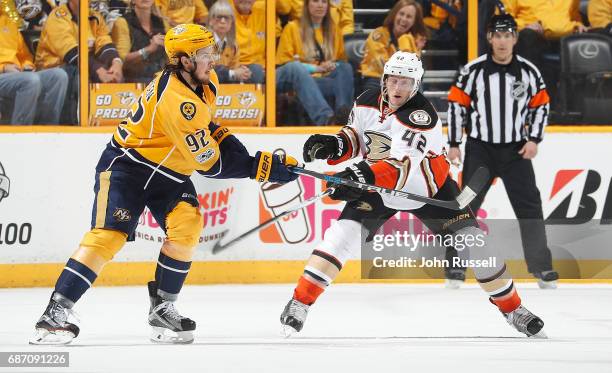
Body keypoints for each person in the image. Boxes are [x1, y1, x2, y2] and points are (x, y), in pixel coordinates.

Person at [30, 24, 299, 345]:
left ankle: (163, 306)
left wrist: (255, 158)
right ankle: (56, 311)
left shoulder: (206, 82)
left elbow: (210, 128)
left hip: (169, 173)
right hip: (128, 168)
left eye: (213, 51)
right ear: (184, 61)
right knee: (108, 237)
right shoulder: (175, 100)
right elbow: (210, 165)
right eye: (204, 55)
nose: (213, 60)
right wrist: (263, 168)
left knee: (187, 224)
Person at [278, 51, 547, 339]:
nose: (397, 89)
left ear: (416, 85)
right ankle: (299, 302)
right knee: (341, 236)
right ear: (384, 79)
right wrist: (333, 145)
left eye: (405, 83)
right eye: (393, 80)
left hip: (427, 188)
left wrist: (357, 178)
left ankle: (513, 309)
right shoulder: (367, 100)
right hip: (380, 187)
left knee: (477, 246)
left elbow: (399, 167)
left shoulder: (421, 116)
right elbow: (358, 137)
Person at [446, 14, 558, 289]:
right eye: (498, 35)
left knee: (530, 207)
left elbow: (541, 105)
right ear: (489, 38)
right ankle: (455, 268)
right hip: (480, 150)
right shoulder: (472, 71)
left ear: (515, 39)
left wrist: (534, 139)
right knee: (465, 207)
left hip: (515, 151)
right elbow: (456, 105)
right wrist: (453, 143)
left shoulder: (529, 72)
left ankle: (542, 268)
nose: (502, 41)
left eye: (508, 35)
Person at [35, 0, 124, 124]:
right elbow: (70, 53)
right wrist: (98, 70)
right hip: (53, 72)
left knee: (112, 71)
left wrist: (116, 63)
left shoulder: (94, 16)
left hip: (83, 65)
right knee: (77, 73)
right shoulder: (57, 17)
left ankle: (110, 122)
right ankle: (75, 124)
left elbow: (104, 41)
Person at [276, 0, 354, 125]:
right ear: (306, 5)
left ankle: (344, 118)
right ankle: (326, 119)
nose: (320, 5)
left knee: (345, 68)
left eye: (324, 2)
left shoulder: (334, 29)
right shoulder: (292, 27)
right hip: (298, 81)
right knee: (296, 67)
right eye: (315, 1)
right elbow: (285, 65)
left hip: (321, 81)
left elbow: (340, 61)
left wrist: (333, 65)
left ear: (328, 6)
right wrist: (316, 69)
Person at [502, 0, 588, 100]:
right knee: (528, 37)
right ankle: (532, 99)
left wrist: (578, 24)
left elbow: (573, 16)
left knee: (587, 41)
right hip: (531, 37)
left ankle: (575, 103)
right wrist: (525, 25)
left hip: (564, 37)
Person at [0, 9, 68, 125]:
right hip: (4, 74)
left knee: (58, 76)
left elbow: (24, 55)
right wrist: (4, 67)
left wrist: (27, 65)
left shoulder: (7, 23)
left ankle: (47, 130)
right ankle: (21, 133)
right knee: (31, 80)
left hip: (18, 73)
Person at [360, 0, 427, 93]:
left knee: (415, 86)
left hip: (403, 82)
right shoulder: (378, 34)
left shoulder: (412, 39)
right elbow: (382, 64)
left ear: (414, 21)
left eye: (409, 17)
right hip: (377, 79)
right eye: (401, 14)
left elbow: (415, 70)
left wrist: (406, 42)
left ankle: (415, 107)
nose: (404, 19)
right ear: (394, 14)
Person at [111, 0, 168, 83]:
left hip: (161, 81)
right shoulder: (122, 22)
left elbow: (170, 58)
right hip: (133, 83)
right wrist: (149, 49)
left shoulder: (163, 22)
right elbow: (121, 60)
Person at [208, 0, 252, 84]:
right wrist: (233, 73)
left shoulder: (233, 46)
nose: (223, 21)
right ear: (211, 20)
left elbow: (234, 69)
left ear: (232, 22)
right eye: (219, 17)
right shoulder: (203, 42)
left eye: (227, 18)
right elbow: (205, 72)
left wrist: (242, 73)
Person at [230, 0, 265, 84]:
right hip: (234, 70)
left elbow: (285, 8)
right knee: (256, 71)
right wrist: (235, 71)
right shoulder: (225, 14)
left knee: (295, 69)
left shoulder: (265, 10)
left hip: (265, 70)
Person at [277, 0, 354, 36]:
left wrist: (343, 42)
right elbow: (283, 10)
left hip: (331, 38)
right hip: (302, 37)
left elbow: (347, 23)